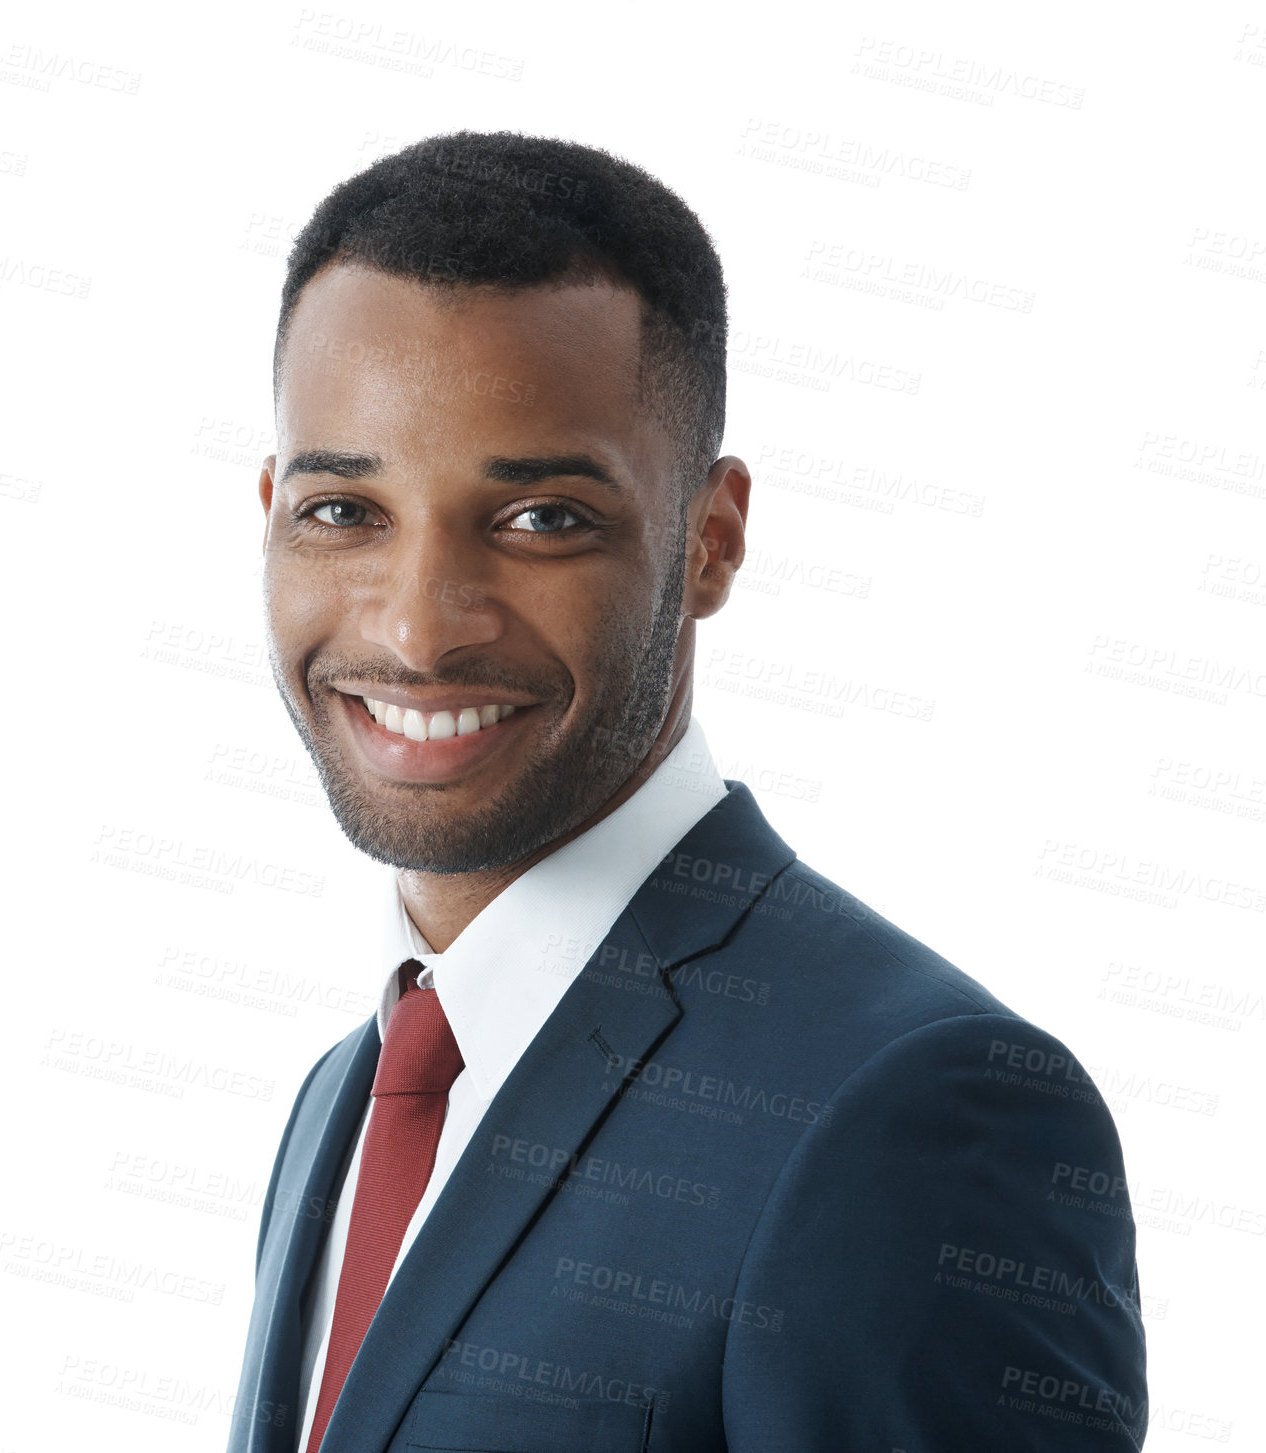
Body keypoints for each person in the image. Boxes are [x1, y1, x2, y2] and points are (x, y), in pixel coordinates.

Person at [227, 130, 1147, 1452]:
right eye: (343, 511)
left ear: (708, 541)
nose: (419, 630)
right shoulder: (350, 1094)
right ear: (270, 509)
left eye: (542, 515)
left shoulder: (911, 1109)